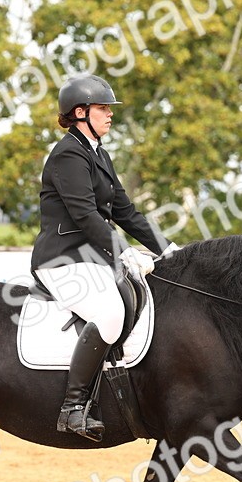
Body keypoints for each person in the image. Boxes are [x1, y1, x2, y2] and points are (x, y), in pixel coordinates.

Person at [30, 74, 178, 439]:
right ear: (80, 112)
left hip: (93, 258)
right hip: (62, 258)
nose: (110, 114)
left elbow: (125, 212)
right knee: (110, 312)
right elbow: (85, 215)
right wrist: (125, 252)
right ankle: (73, 408)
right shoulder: (68, 154)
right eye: (103, 108)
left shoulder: (99, 154)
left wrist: (168, 248)